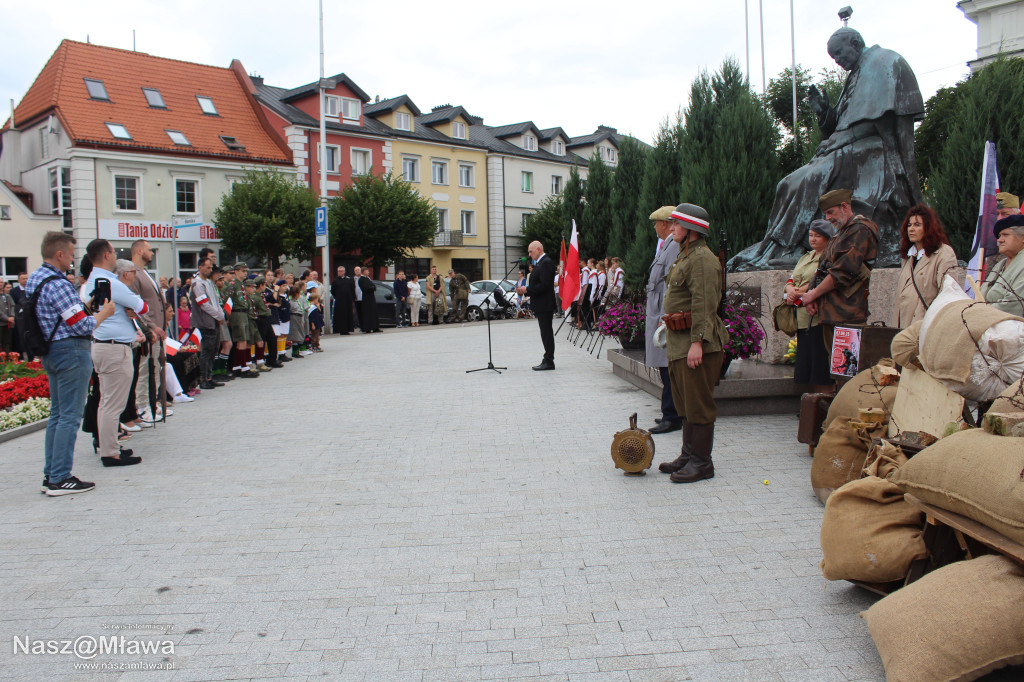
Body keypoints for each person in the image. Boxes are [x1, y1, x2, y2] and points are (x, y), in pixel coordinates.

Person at [730, 27, 923, 271]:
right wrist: (824, 114)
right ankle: (786, 246)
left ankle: (793, 245)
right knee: (786, 183)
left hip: (869, 151)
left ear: (855, 43)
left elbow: (875, 121)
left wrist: (838, 141)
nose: (838, 61)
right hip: (845, 149)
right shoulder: (856, 73)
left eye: (840, 54)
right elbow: (841, 125)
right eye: (834, 58)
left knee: (807, 180)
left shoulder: (882, 61)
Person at [28, 232, 115, 494]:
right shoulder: (59, 283)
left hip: (50, 350)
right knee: (69, 416)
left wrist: (85, 306)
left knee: (57, 415)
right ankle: (61, 477)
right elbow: (81, 324)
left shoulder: (36, 278)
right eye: (70, 254)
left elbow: (64, 315)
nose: (72, 260)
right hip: (70, 352)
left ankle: (51, 473)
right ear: (59, 254)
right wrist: (103, 313)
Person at [656, 204, 728, 484]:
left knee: (698, 404)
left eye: (675, 224)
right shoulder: (685, 256)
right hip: (679, 342)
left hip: (696, 344)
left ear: (691, 229)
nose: (671, 228)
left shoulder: (702, 260)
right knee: (685, 403)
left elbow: (705, 305)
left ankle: (702, 462)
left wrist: (698, 343)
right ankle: (688, 455)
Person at [85, 239, 149, 468]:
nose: (115, 256)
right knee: (113, 405)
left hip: (100, 344)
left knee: (106, 402)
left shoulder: (89, 281)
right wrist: (128, 307)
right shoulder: (111, 282)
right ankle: (110, 452)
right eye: (113, 252)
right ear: (106, 254)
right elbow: (142, 307)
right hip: (114, 347)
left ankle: (107, 445)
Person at [800, 189, 880, 355]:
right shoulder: (841, 234)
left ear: (844, 206)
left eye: (830, 212)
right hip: (832, 313)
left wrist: (813, 294)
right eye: (825, 213)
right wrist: (810, 295)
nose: (828, 218)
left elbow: (842, 272)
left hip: (848, 316)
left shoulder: (860, 230)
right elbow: (822, 267)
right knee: (836, 370)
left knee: (847, 370)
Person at [644, 206, 684, 435]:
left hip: (662, 310)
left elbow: (671, 284)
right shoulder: (666, 245)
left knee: (668, 366)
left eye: (656, 223)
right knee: (664, 366)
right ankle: (669, 411)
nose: (655, 227)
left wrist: (665, 317)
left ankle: (672, 415)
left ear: (665, 224)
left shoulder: (673, 246)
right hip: (657, 308)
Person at [786, 220, 835, 394]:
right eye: (811, 235)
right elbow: (792, 278)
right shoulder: (806, 257)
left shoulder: (829, 257)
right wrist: (790, 290)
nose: (813, 239)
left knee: (820, 368)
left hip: (818, 318)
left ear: (828, 238)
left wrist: (798, 292)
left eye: (818, 236)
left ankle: (822, 405)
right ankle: (812, 405)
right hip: (802, 318)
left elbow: (821, 281)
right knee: (808, 367)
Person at [892, 205, 959, 327]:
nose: (911, 229)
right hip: (902, 324)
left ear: (928, 227)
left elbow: (948, 292)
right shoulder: (908, 256)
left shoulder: (944, 253)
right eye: (909, 225)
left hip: (924, 325)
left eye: (917, 225)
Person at [126, 240, 168, 424]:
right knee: (145, 369)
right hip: (148, 329)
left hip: (158, 328)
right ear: (139, 250)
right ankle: (142, 405)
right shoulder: (133, 274)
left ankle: (153, 402)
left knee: (155, 367)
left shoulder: (145, 272)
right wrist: (151, 326)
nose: (152, 253)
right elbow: (135, 305)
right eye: (150, 250)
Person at [516, 240, 556, 370]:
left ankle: (549, 360)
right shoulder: (540, 263)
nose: (529, 254)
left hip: (545, 303)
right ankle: (547, 358)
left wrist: (527, 290)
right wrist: (527, 288)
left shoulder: (546, 263)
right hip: (541, 303)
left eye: (531, 251)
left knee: (546, 332)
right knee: (544, 332)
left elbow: (545, 285)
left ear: (539, 249)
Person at [189, 258, 224, 390]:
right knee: (207, 350)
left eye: (211, 268)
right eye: (207, 268)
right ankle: (203, 378)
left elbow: (215, 300)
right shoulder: (197, 284)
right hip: (205, 321)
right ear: (200, 267)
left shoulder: (209, 282)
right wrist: (217, 315)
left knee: (214, 349)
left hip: (214, 319)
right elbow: (203, 304)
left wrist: (220, 314)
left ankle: (209, 376)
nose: (210, 270)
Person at [982, 215, 1024, 316]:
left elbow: (1014, 305)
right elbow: (982, 293)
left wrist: (981, 311)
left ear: (1023, 238)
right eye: (999, 236)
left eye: (1006, 235)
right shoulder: (1000, 264)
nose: (1000, 240)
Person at [331, 266, 355, 334]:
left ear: (344, 272)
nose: (340, 272)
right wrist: (338, 297)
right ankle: (340, 330)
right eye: (338, 271)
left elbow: (352, 289)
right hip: (339, 301)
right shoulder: (335, 280)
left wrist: (352, 298)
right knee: (340, 316)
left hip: (347, 301)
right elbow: (333, 291)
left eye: (341, 271)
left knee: (348, 315)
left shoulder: (348, 279)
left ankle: (347, 329)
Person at [358, 269, 379, 333]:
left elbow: (374, 286)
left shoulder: (368, 278)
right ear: (363, 271)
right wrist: (371, 288)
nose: (368, 272)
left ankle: (375, 327)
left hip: (371, 298)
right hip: (366, 298)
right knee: (367, 314)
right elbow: (365, 288)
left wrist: (372, 287)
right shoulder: (361, 279)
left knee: (373, 313)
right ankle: (368, 328)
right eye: (367, 271)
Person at [0, 281, 14, 351]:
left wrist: (12, 316)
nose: (1, 284)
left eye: (2, 282)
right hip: (1, 323)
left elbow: (12, 306)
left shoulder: (7, 296)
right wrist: (7, 318)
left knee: (7, 342)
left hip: (8, 323)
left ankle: (8, 358)